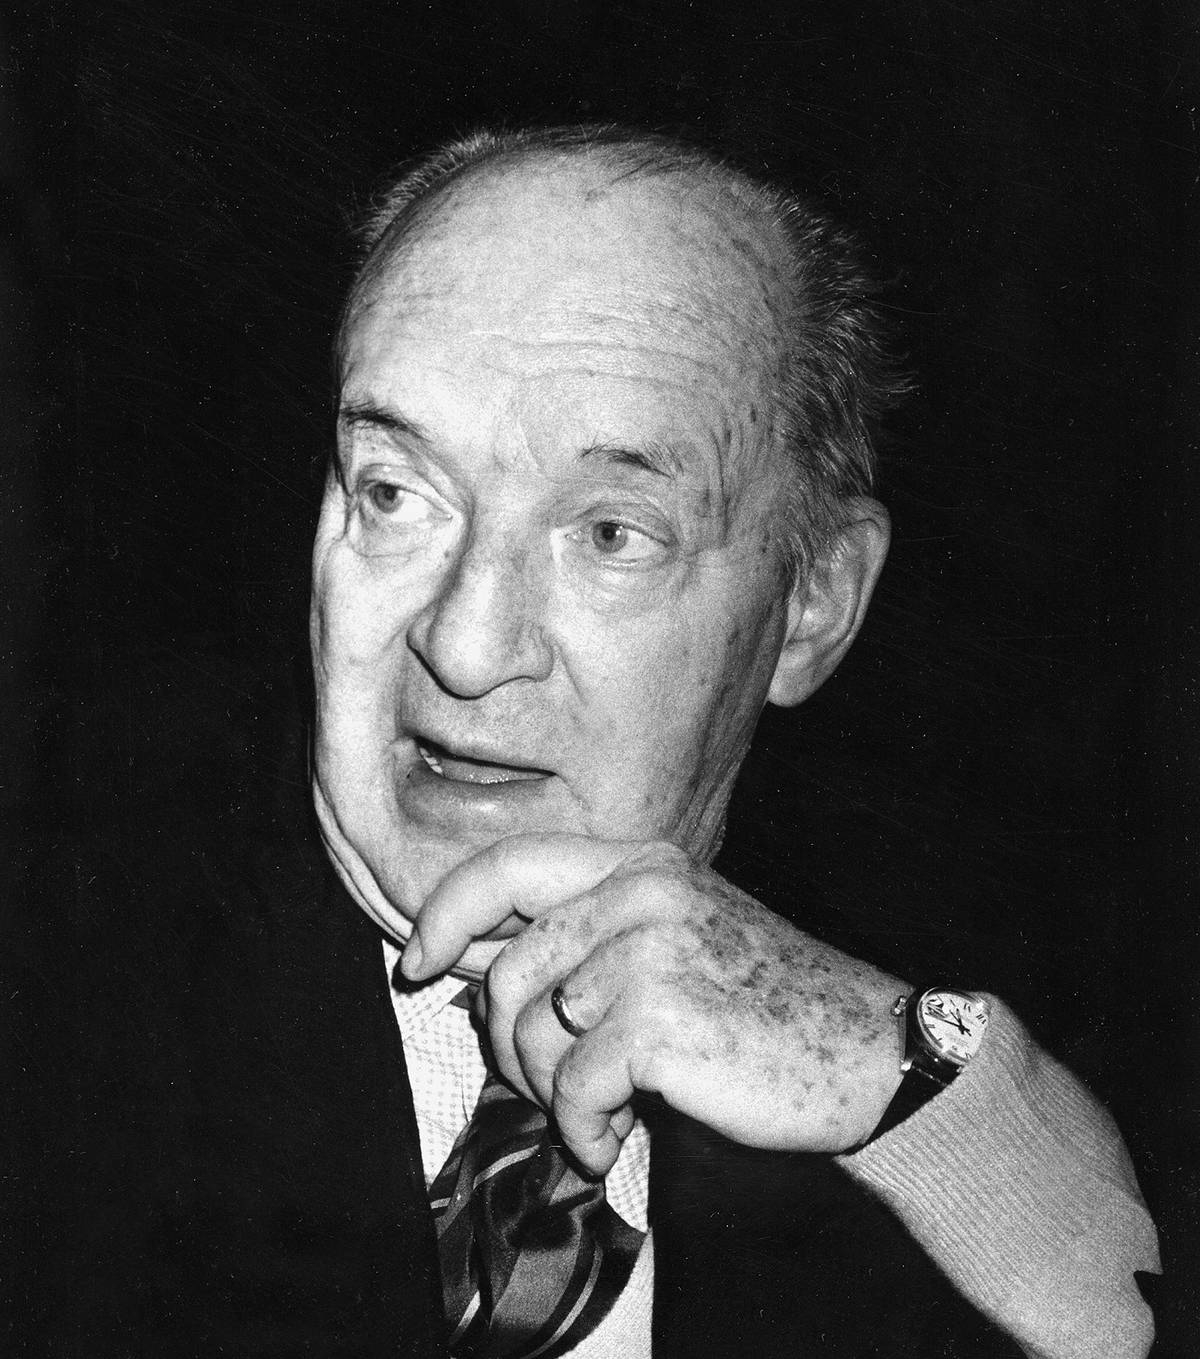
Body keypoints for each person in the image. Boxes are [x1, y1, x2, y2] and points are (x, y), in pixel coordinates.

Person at [291, 124, 1162, 1358]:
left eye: (611, 534)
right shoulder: (61, 985)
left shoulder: (911, 1072)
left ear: (813, 605)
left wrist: (914, 1090)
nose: (467, 648)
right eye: (395, 493)